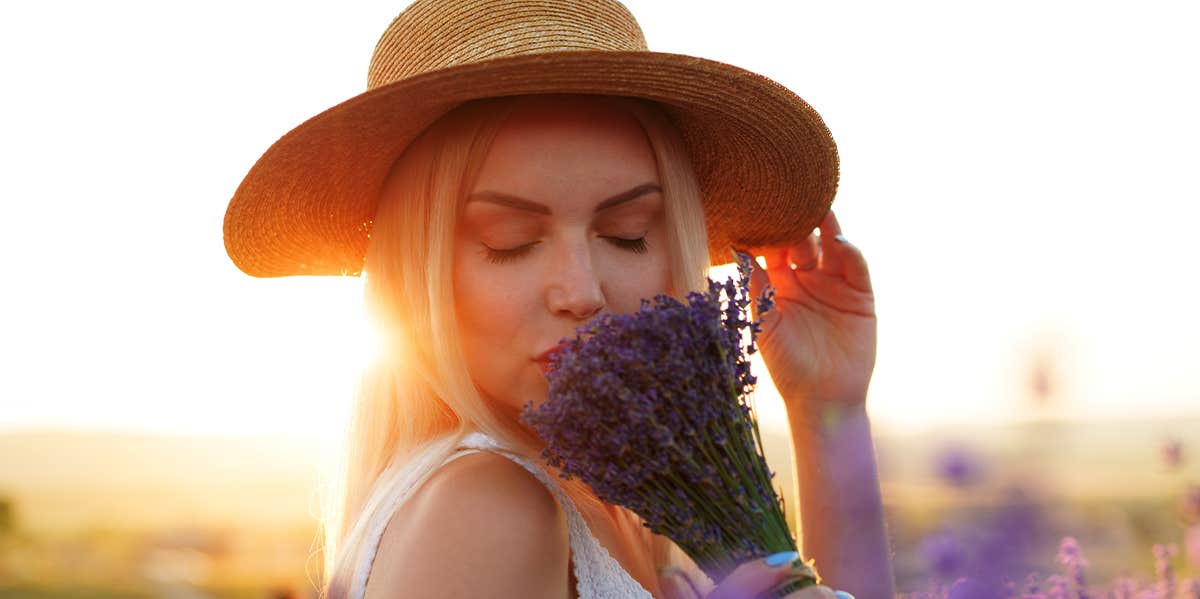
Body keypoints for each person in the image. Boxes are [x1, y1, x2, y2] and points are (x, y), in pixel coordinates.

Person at [223, 1, 895, 598]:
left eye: (626, 234)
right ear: (418, 274)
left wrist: (826, 408)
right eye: (510, 240)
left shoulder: (623, 506)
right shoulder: (488, 507)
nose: (582, 291)